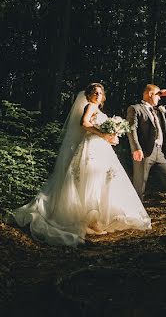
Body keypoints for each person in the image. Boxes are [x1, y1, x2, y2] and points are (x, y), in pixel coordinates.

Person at [13, 83, 151, 246]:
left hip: (102, 147)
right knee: (89, 183)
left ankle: (96, 220)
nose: (98, 95)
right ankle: (87, 220)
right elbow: (84, 124)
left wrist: (112, 136)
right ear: (89, 95)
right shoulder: (90, 106)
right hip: (91, 147)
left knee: (104, 181)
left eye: (100, 93)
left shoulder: (98, 110)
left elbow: (101, 128)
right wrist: (102, 134)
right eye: (94, 93)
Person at [126, 84, 166, 224]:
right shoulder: (135, 109)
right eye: (157, 95)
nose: (159, 98)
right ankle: (137, 218)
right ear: (149, 94)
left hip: (159, 152)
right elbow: (131, 129)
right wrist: (136, 148)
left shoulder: (158, 110)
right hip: (144, 152)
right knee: (139, 186)